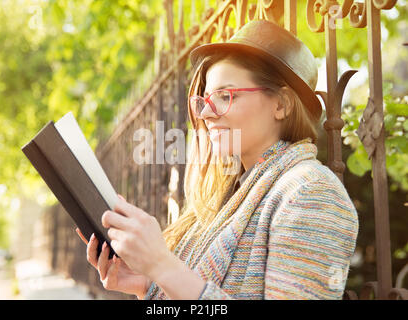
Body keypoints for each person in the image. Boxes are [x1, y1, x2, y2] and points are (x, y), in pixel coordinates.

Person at [76, 20, 359, 300]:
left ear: (281, 104)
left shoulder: (311, 191)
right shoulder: (228, 197)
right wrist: (148, 284)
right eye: (204, 99)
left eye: (225, 96)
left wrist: (164, 266)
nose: (206, 114)